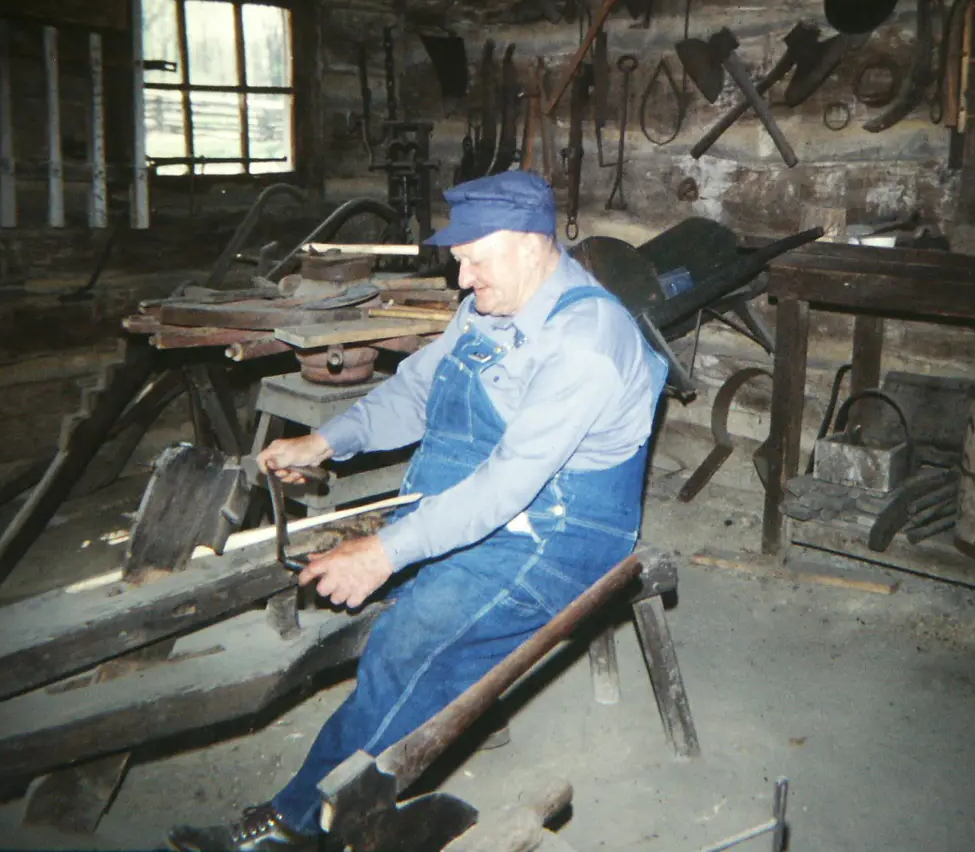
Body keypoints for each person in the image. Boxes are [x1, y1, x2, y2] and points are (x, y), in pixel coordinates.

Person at [168, 170, 668, 852]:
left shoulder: (585, 338)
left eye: (472, 259)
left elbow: (504, 487)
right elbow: (412, 395)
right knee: (378, 595)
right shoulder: (491, 308)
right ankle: (402, 719)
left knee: (406, 646)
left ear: (527, 244)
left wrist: (384, 552)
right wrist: (325, 441)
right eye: (458, 260)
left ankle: (294, 828)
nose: (462, 279)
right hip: (495, 503)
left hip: (563, 537)